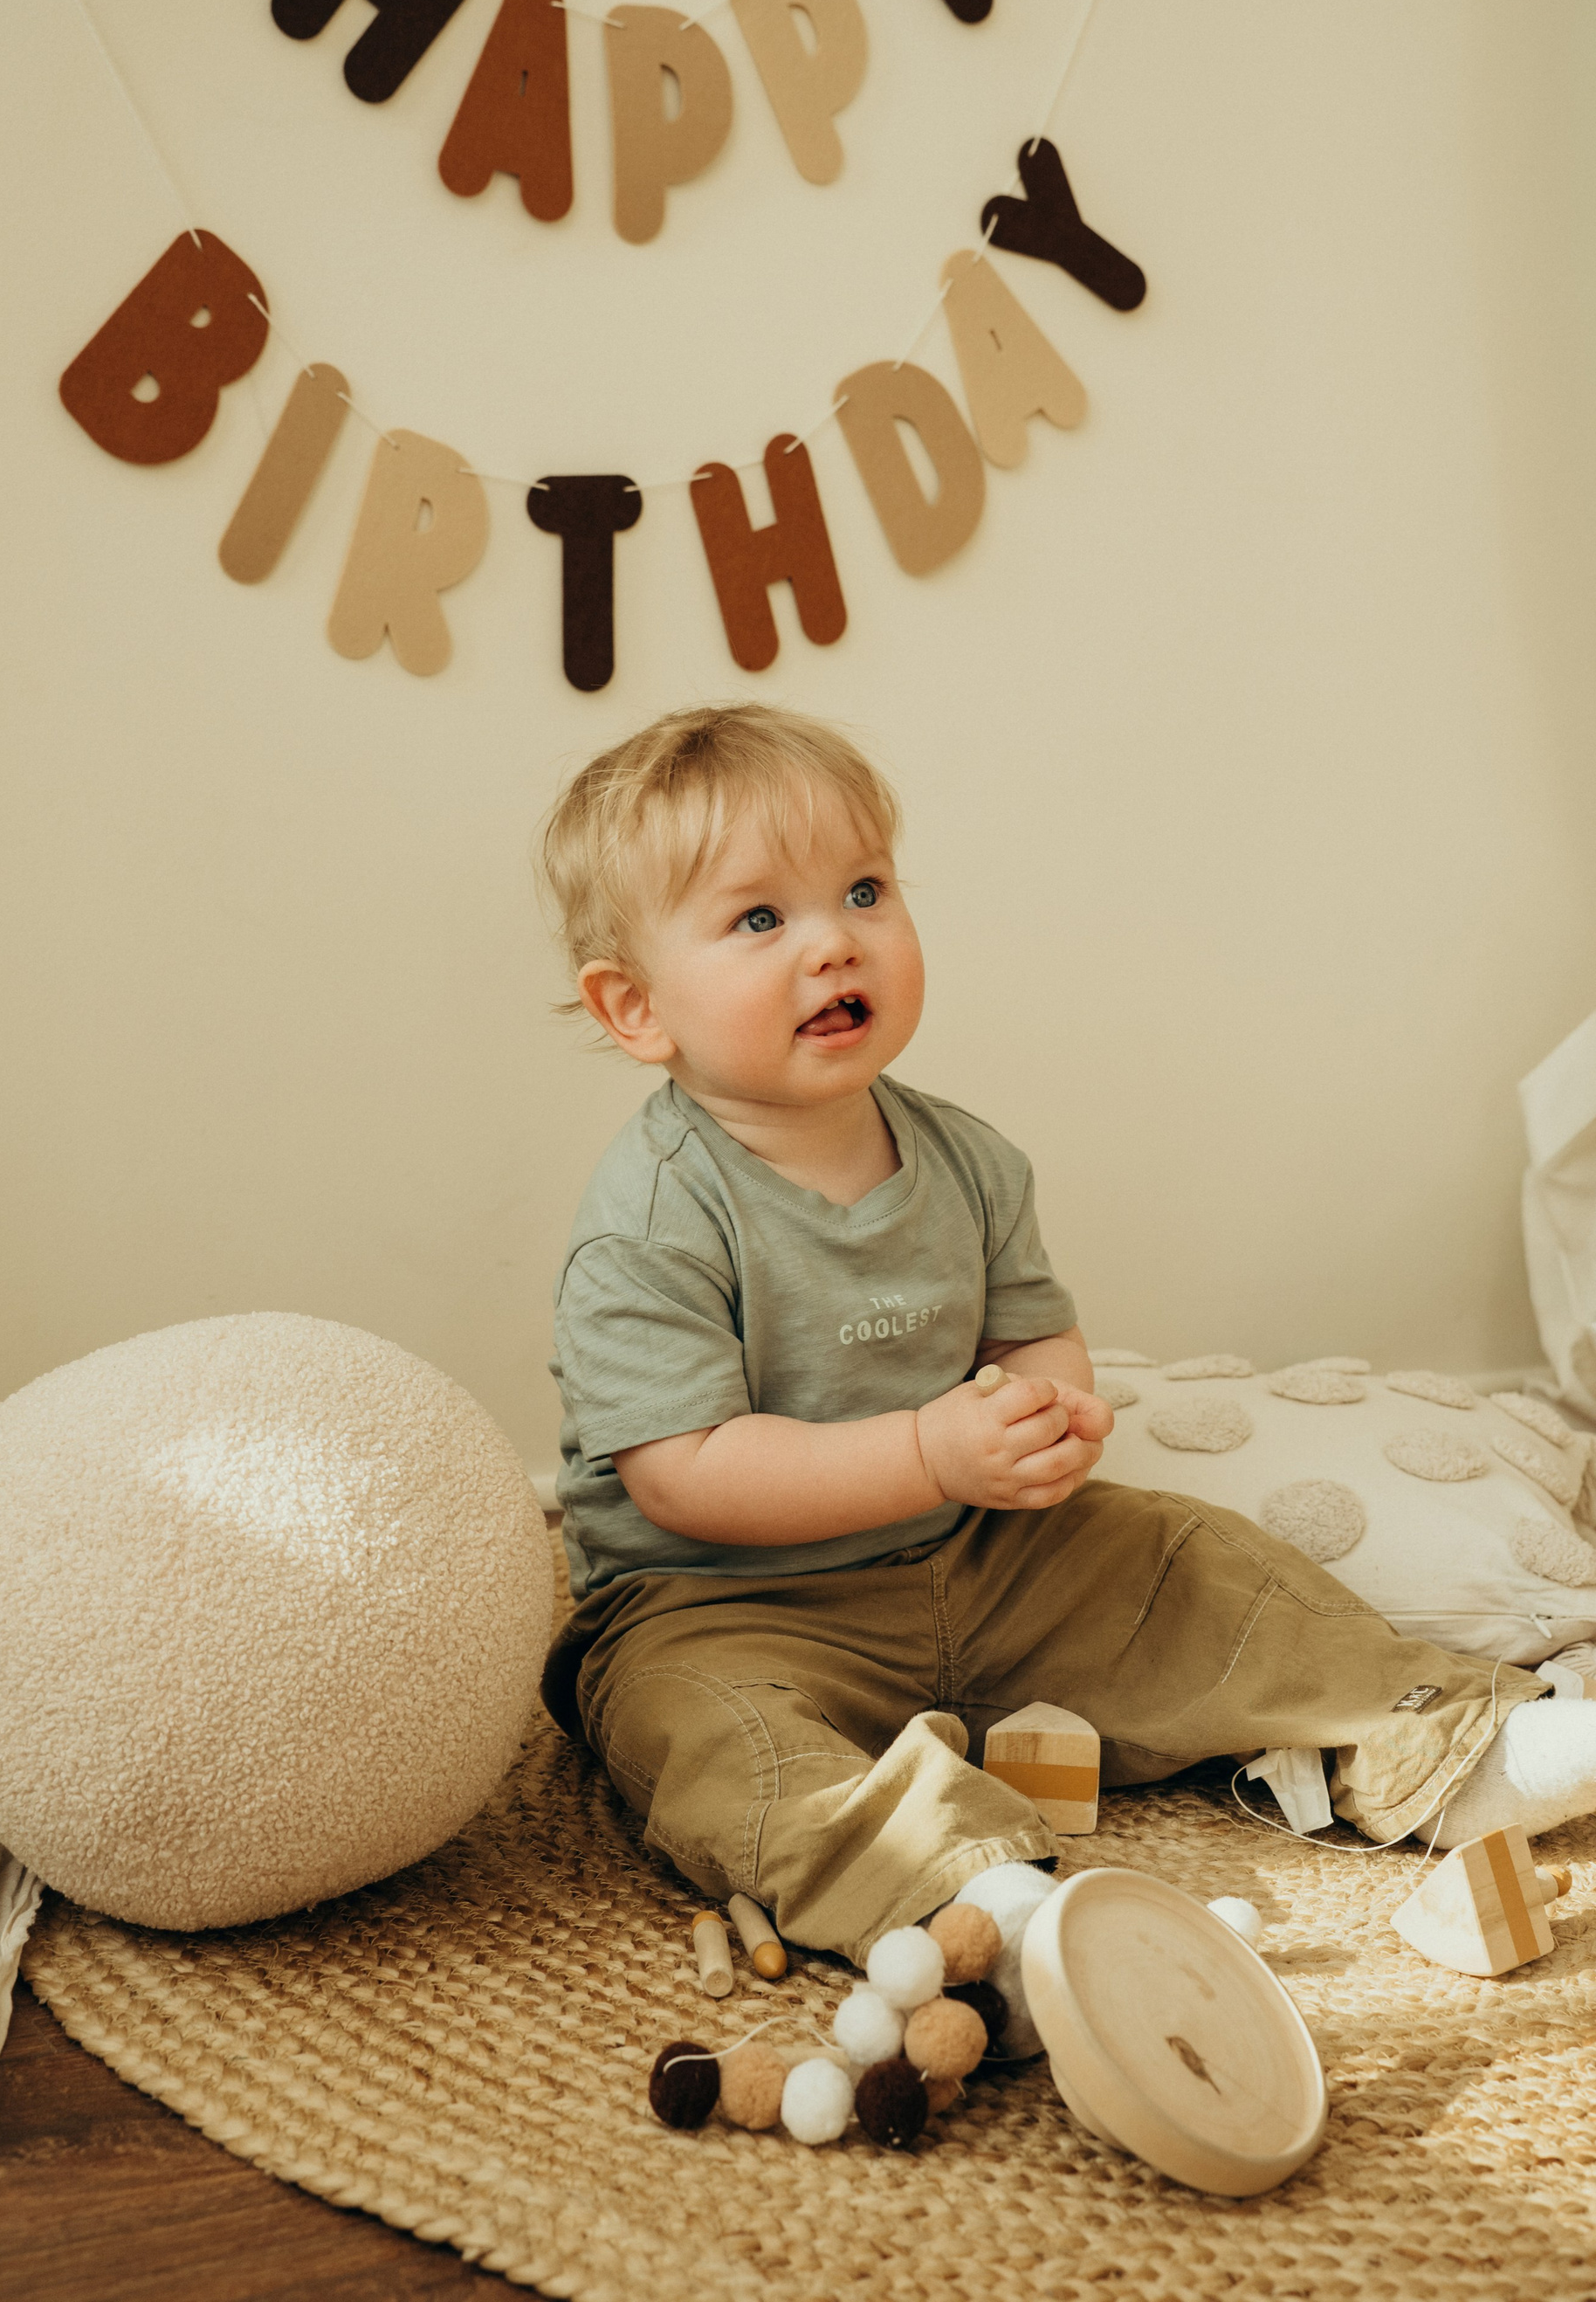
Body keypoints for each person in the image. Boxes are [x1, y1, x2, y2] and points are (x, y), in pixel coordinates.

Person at [538, 700, 1593, 2024]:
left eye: (863, 891)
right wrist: (927, 1450)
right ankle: (979, 1906)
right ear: (636, 1008)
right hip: (723, 1605)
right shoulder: (651, 1218)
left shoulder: (970, 1161)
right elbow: (685, 1472)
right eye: (760, 918)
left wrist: (1053, 1409)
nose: (835, 941)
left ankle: (1451, 1742)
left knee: (1184, 1559)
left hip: (978, 1558)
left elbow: (1029, 1331)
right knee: (714, 1745)